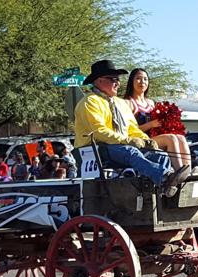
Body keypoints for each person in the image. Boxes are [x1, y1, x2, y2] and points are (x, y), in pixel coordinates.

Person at [74, 60, 186, 194]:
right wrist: (129, 141)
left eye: (118, 79)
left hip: (118, 147)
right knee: (129, 151)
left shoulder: (120, 103)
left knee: (160, 155)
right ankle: (164, 178)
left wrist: (146, 141)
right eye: (112, 79)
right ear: (99, 81)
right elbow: (100, 132)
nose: (117, 83)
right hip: (95, 149)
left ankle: (166, 188)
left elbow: (132, 129)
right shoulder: (90, 102)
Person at [124, 68, 195, 177]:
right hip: (141, 142)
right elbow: (127, 130)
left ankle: (188, 171)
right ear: (131, 81)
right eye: (138, 79)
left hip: (154, 139)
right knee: (170, 138)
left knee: (180, 137)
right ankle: (178, 173)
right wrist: (151, 124)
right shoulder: (128, 103)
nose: (142, 82)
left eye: (145, 79)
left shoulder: (150, 102)